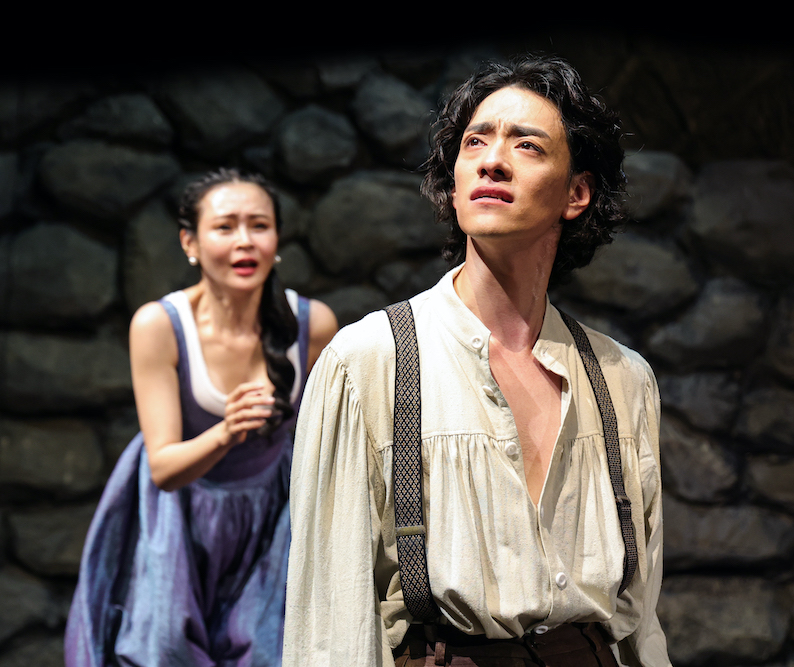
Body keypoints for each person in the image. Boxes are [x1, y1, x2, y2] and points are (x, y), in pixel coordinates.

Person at [284, 55, 671, 667]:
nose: (493, 160)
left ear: (577, 193)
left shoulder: (623, 379)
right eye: (475, 142)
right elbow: (329, 625)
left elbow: (641, 621)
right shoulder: (368, 364)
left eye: (527, 145)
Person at [65, 168, 337, 667]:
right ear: (189, 242)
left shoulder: (312, 325)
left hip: (271, 520)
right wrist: (227, 431)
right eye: (225, 227)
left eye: (259, 226)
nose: (244, 241)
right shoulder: (160, 325)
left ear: (277, 239)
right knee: (166, 647)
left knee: (267, 648)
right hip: (181, 519)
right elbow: (164, 467)